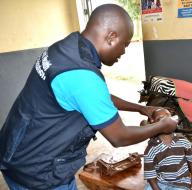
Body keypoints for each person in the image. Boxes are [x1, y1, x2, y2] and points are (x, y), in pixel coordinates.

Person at [0, 4, 178, 190]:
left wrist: (141, 108)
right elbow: (120, 137)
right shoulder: (83, 76)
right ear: (111, 37)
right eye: (124, 44)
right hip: (38, 170)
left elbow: (94, 97)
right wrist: (162, 126)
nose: (124, 52)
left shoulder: (66, 48)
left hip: (16, 149)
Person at [142, 108, 192, 190]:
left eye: (168, 118)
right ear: (153, 123)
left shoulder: (183, 141)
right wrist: (156, 188)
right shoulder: (151, 148)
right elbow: (150, 174)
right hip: (161, 181)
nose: (166, 123)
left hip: (181, 182)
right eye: (160, 119)